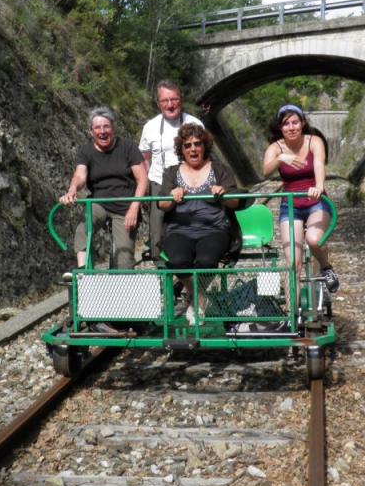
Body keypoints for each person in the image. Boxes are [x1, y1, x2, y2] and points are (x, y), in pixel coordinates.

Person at [157, 123, 240, 325]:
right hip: (180, 229)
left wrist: (223, 194)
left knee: (206, 261)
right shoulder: (171, 173)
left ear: (204, 147)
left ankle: (195, 301)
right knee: (177, 261)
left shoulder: (220, 170)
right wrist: (172, 196)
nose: (193, 149)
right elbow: (162, 205)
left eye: (197, 144)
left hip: (214, 229)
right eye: (187, 145)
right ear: (182, 150)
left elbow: (235, 202)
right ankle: (199, 299)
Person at [262, 104, 339, 295]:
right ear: (280, 127)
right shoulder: (275, 147)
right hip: (291, 205)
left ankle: (326, 267)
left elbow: (319, 164)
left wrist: (319, 186)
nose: (291, 127)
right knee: (293, 263)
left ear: (302, 123)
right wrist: (281, 159)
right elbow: (265, 171)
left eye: (295, 122)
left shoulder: (314, 141)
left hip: (316, 202)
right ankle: (291, 315)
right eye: (286, 124)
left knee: (314, 240)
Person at [60, 107, 148, 270]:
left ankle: (123, 289)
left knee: (124, 262)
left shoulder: (127, 147)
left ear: (113, 128)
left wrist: (134, 208)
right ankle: (82, 271)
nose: (102, 131)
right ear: (91, 131)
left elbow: (142, 179)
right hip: (99, 202)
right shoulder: (86, 151)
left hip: (125, 205)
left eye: (106, 126)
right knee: (83, 229)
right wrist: (72, 190)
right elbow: (80, 176)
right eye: (98, 128)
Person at [138, 81, 202, 263]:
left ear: (181, 100)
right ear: (158, 103)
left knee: (190, 228)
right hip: (158, 182)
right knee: (157, 231)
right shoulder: (150, 126)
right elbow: (143, 158)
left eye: (174, 99)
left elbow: (206, 155)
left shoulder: (194, 123)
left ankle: (185, 275)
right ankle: (163, 274)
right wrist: (144, 189)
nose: (170, 104)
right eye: (165, 100)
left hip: (190, 183)